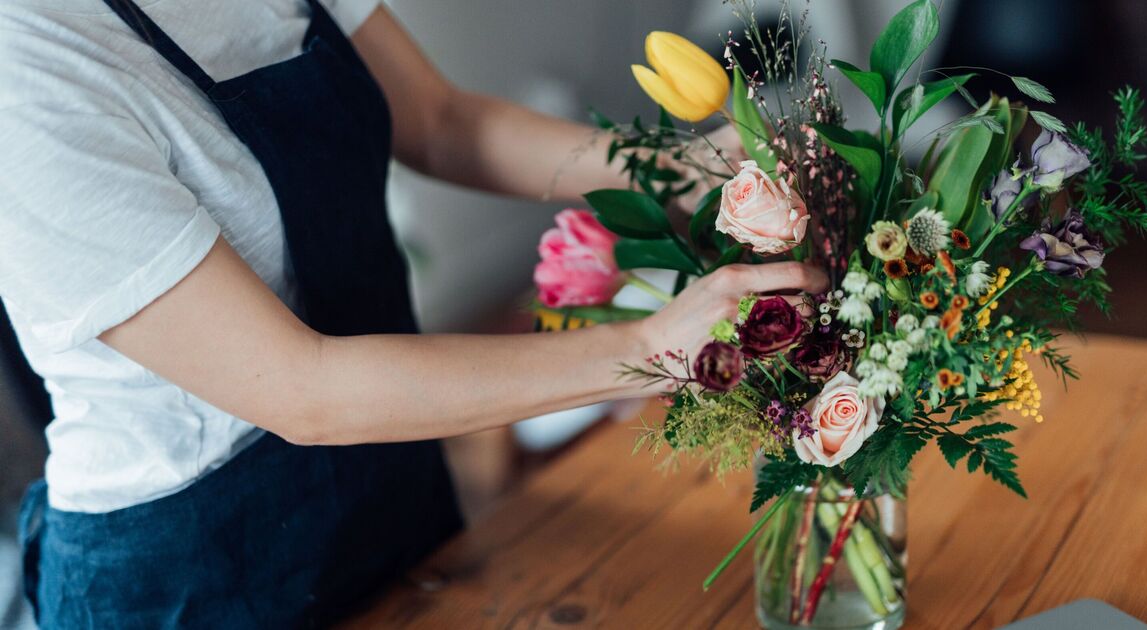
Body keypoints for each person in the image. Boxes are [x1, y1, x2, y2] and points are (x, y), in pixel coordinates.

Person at [0, 0, 829, 626]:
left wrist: (674, 169)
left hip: (384, 470)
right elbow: (303, 390)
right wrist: (653, 345)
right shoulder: (26, 65)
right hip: (194, 565)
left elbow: (441, 121)